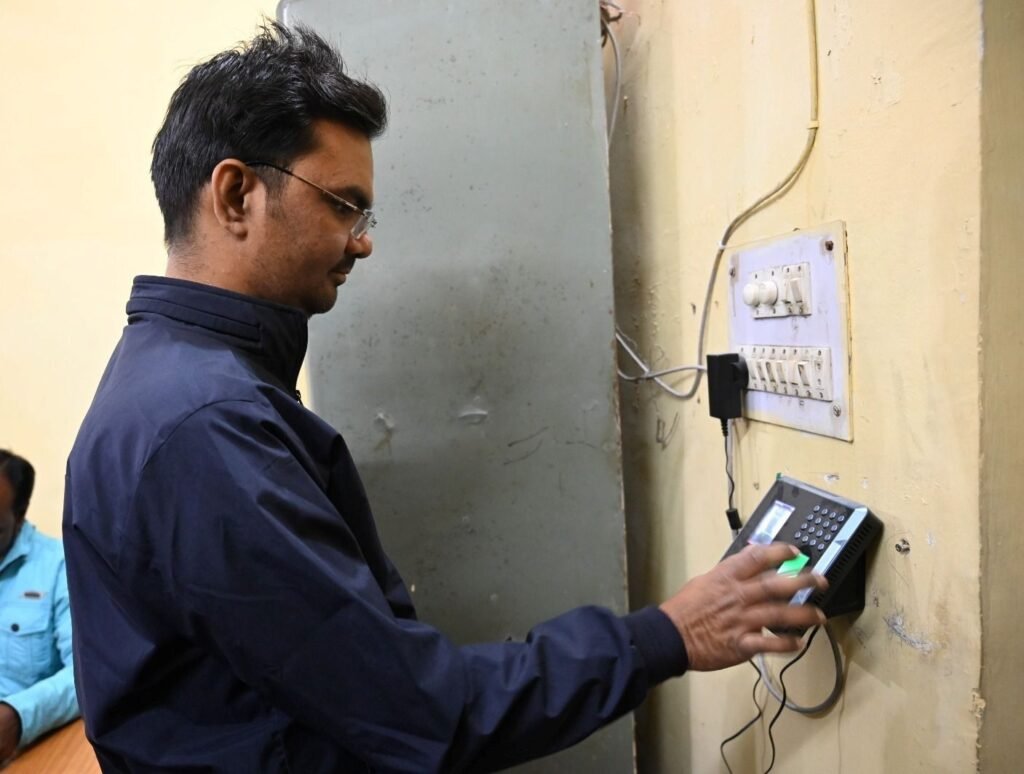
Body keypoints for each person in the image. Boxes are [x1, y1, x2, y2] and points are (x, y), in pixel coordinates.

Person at [63, 23, 827, 773]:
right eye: (342, 205)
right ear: (236, 195)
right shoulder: (207, 427)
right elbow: (416, 710)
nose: (362, 240)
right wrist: (669, 634)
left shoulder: (167, 377)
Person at [0, 450, 79, 764]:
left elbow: (84, 674)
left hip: (24, 752)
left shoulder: (59, 567)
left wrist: (18, 716)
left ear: (20, 516)